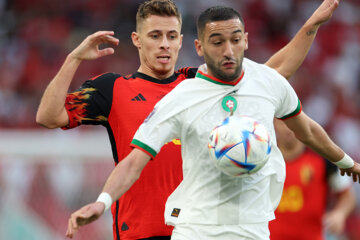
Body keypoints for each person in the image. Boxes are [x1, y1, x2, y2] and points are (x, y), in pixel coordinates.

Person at [36, 0, 342, 239]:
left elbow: (271, 74)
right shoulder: (113, 88)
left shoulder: (200, 84)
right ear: (137, 39)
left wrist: (310, 26)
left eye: (171, 36)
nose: (164, 44)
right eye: (155, 36)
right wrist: (73, 58)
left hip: (197, 228)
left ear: (183, 41)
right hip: (139, 230)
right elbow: (49, 116)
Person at [269, 120, 356, 240]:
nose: (288, 128)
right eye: (283, 123)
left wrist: (339, 214)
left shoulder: (323, 158)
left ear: (301, 122)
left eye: (291, 121)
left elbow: (348, 196)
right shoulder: (264, 160)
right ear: (274, 123)